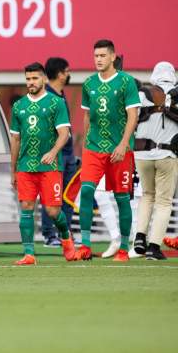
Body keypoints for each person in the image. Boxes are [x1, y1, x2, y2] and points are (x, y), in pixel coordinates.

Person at [76, 39, 140, 261]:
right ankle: (84, 245)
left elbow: (133, 115)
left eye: (103, 56)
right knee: (85, 191)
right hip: (93, 148)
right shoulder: (88, 84)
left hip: (119, 150)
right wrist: (85, 143)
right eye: (96, 56)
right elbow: (86, 115)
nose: (99, 60)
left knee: (122, 198)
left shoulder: (126, 82)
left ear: (113, 57)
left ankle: (123, 247)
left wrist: (123, 144)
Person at [9, 63, 76, 265]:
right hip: (25, 166)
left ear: (44, 79)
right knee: (26, 207)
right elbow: (16, 140)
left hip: (50, 167)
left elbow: (65, 134)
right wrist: (13, 169)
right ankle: (29, 254)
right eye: (28, 79)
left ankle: (66, 238)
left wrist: (53, 152)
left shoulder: (56, 102)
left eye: (35, 78)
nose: (31, 82)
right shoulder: (19, 106)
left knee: (53, 211)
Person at [131, 61, 178, 260]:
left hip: (141, 153)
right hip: (167, 154)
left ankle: (139, 237)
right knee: (164, 202)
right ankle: (154, 247)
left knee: (147, 195)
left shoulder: (142, 93)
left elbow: (130, 118)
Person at [39, 57, 78, 247]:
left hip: (68, 155)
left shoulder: (60, 95)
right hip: (55, 155)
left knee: (67, 196)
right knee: (51, 196)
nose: (69, 74)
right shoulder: (46, 97)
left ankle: (65, 234)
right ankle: (50, 235)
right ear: (60, 74)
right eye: (67, 70)